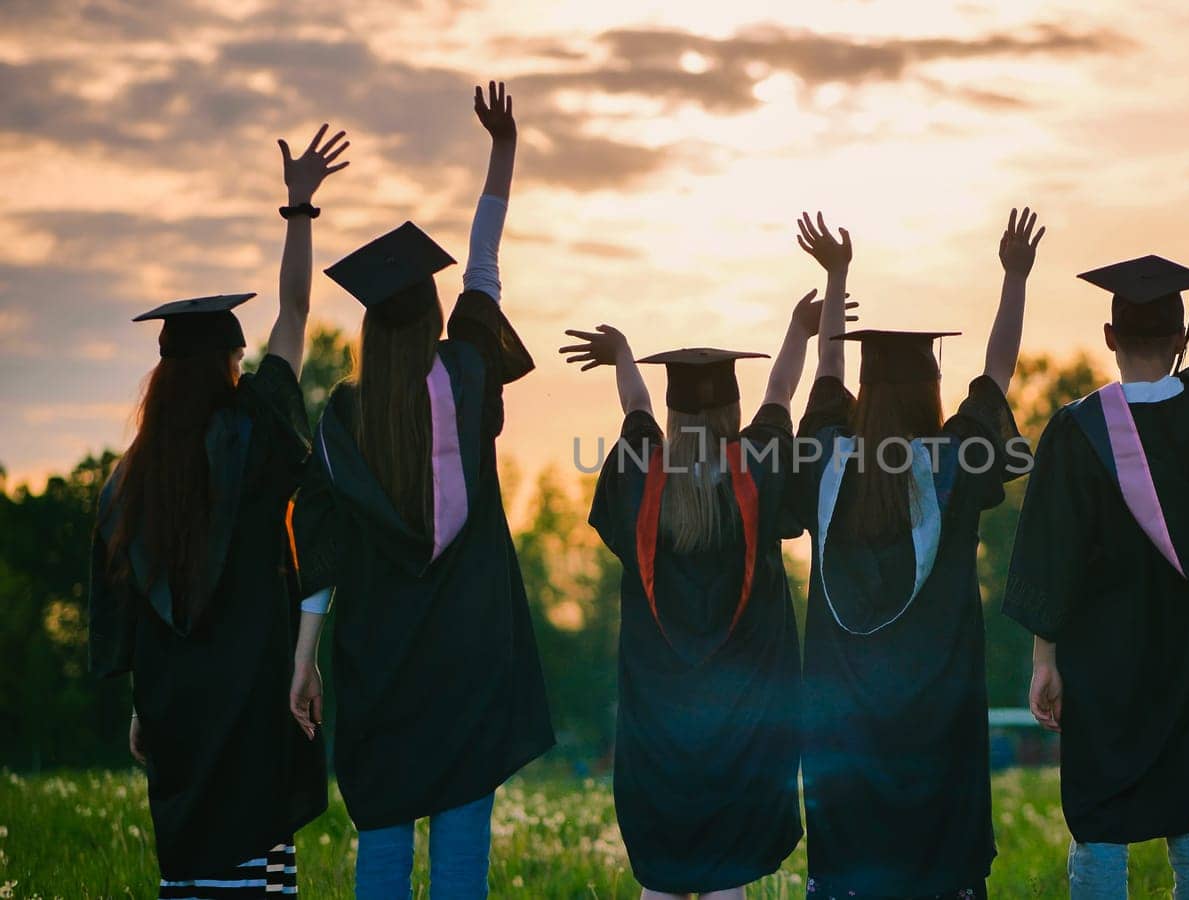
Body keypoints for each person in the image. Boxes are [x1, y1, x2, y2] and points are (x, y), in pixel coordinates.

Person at [288, 82, 555, 899]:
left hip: (380, 664)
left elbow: (322, 557)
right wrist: (502, 152)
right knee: (464, 855)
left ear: (369, 327)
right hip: (468, 660)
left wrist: (305, 663)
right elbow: (483, 266)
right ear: (437, 316)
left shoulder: (342, 422)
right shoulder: (469, 375)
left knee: (382, 850)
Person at [88, 124, 348, 898]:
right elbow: (296, 317)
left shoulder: (127, 482)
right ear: (227, 365)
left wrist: (143, 709)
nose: (244, 367)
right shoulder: (255, 431)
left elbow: (131, 613)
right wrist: (299, 211)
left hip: (175, 705)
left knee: (192, 872)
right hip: (251, 690)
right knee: (253, 865)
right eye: (237, 360)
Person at [1003, 179, 1189, 899]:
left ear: (1110, 337)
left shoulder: (1077, 431)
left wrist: (1044, 660)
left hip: (1107, 664)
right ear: (1184, 336)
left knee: (1099, 828)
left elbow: (1051, 556)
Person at [561, 290, 856, 899]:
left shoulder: (640, 470)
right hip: (743, 728)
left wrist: (622, 355)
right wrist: (800, 331)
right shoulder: (757, 465)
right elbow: (780, 397)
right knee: (729, 880)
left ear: (674, 418)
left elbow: (636, 408)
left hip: (659, 730)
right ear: (732, 410)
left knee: (662, 879)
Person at [788, 209, 1040, 899]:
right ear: (931, 390)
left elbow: (828, 370)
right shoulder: (954, 463)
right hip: (938, 723)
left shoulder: (826, 462)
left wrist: (837, 277)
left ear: (867, 395)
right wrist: (1013, 278)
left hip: (844, 725)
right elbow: (996, 376)